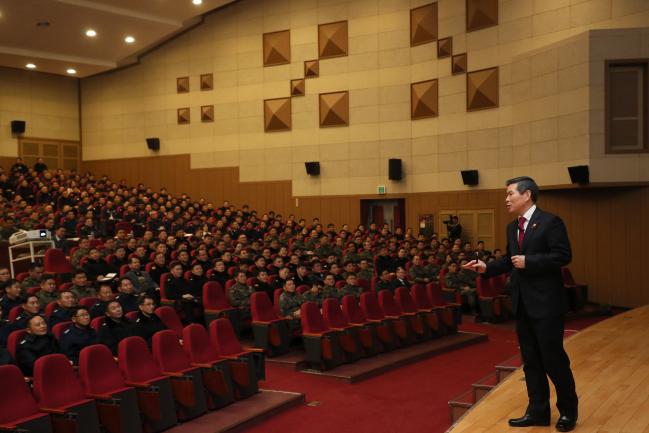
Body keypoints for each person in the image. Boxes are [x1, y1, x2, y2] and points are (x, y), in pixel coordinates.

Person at [464, 176, 577, 432]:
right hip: (523, 304)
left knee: (553, 360)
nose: (506, 199)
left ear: (527, 195)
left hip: (547, 305)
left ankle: (568, 411)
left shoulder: (550, 222)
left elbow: (563, 255)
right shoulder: (512, 227)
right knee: (531, 361)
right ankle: (537, 411)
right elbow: (509, 260)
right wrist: (486, 268)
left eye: (510, 194)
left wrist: (531, 261)